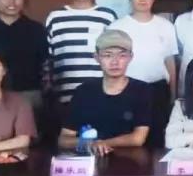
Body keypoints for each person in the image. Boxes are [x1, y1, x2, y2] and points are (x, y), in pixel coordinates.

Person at [59, 29, 151, 157]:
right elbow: (64, 139)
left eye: (122, 55)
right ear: (96, 57)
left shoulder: (142, 90)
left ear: (130, 57)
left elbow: (138, 138)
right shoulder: (84, 91)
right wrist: (90, 144)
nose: (115, 61)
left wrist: (101, 144)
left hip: (130, 162)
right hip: (90, 161)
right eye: (107, 55)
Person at [109, 0, 178, 147]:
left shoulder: (166, 26)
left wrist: (173, 95)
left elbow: (170, 62)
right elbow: (110, 63)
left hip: (158, 90)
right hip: (127, 90)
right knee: (128, 139)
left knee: (158, 139)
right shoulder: (117, 27)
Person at [45, 0, 116, 109]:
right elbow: (48, 57)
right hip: (64, 95)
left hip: (101, 93)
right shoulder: (55, 18)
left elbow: (115, 55)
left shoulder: (107, 16)